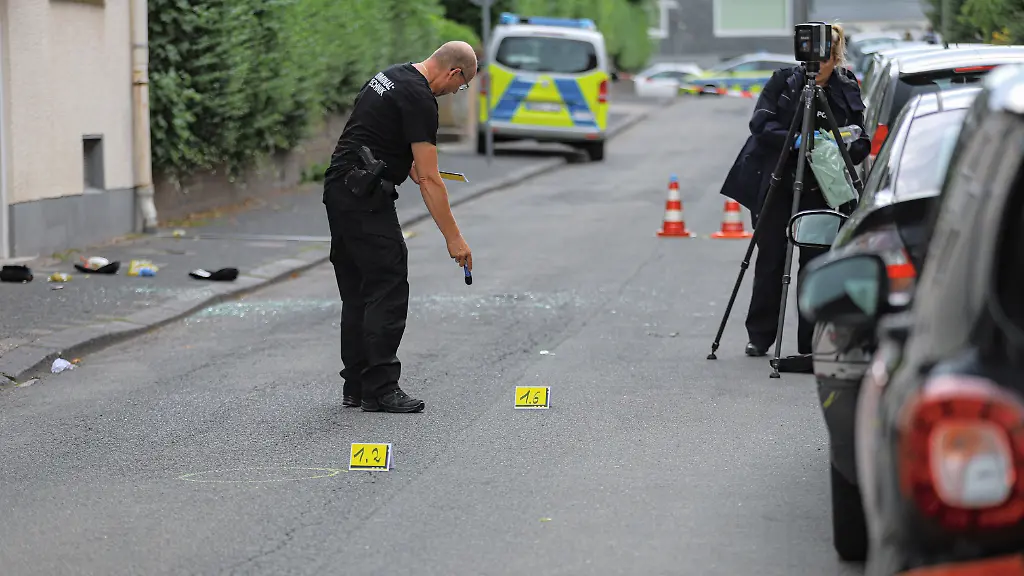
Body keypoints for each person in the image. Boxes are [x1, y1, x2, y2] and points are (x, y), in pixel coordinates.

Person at [322, 41, 477, 413]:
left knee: (358, 291)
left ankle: (357, 385)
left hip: (340, 189)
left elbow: (375, 136)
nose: (456, 92)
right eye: (461, 85)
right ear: (454, 71)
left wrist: (405, 164)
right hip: (365, 197)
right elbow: (428, 179)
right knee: (387, 286)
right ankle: (382, 389)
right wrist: (454, 239)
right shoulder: (420, 98)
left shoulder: (389, 76)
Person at [718, 23, 871, 358]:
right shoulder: (784, 81)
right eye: (812, 58)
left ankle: (809, 343)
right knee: (770, 259)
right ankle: (759, 337)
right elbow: (760, 124)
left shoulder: (846, 86)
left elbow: (861, 138)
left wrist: (838, 143)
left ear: (836, 58)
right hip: (777, 181)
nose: (817, 67)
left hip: (822, 188)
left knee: (815, 262)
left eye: (825, 59)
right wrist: (799, 142)